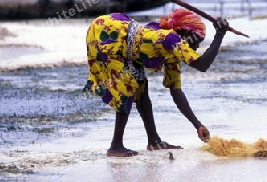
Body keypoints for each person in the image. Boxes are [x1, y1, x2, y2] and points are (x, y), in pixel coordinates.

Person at [83, 9, 229, 157]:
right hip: (106, 34)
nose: (196, 47)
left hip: (127, 47)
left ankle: (154, 141)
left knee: (141, 89)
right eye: (196, 41)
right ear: (184, 34)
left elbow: (176, 91)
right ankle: (115, 145)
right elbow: (202, 65)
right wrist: (220, 34)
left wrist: (198, 125)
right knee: (126, 88)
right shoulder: (170, 39)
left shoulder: (173, 51)